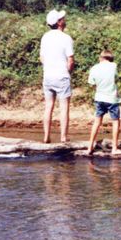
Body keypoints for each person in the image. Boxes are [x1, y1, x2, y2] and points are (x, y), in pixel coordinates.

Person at [39, 9, 74, 143]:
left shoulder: (45, 37)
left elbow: (41, 58)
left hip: (48, 76)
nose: (64, 20)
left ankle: (46, 136)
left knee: (49, 106)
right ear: (59, 23)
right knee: (64, 108)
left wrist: (49, 66)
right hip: (62, 76)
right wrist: (67, 72)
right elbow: (70, 60)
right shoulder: (66, 38)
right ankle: (63, 137)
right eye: (62, 19)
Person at [87, 49, 121, 155]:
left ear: (101, 58)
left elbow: (91, 83)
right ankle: (114, 148)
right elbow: (116, 78)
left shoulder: (94, 68)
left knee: (97, 122)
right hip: (112, 98)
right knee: (116, 122)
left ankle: (90, 146)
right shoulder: (114, 66)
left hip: (99, 97)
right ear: (111, 58)